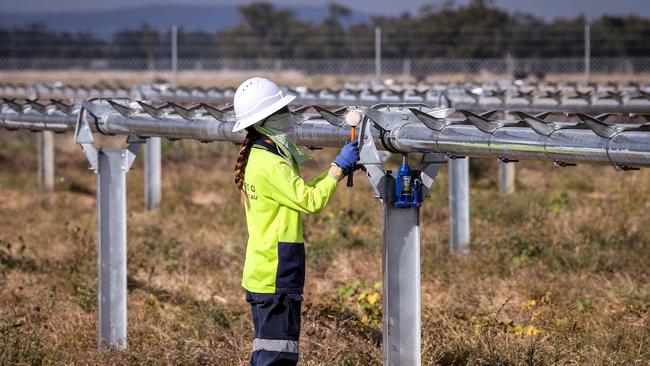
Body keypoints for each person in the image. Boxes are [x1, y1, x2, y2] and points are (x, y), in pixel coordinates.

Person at [232, 77, 360, 366]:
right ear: (265, 120)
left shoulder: (260, 155)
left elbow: (297, 194)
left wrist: (334, 171)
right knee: (277, 356)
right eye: (282, 111)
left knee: (267, 352)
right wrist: (338, 169)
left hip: (262, 271)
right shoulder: (271, 163)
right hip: (277, 271)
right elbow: (310, 201)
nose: (289, 117)